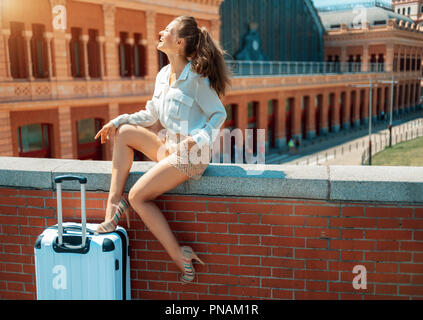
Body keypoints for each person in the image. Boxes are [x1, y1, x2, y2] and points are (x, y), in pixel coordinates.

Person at [94, 16, 231, 284]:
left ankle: (180, 255)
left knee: (138, 197)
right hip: (169, 149)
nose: (161, 32)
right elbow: (150, 114)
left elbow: (219, 114)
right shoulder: (163, 75)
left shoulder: (197, 79)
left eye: (166, 31)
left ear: (179, 42)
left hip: (191, 156)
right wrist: (117, 120)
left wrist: (199, 138)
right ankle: (112, 207)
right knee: (123, 134)